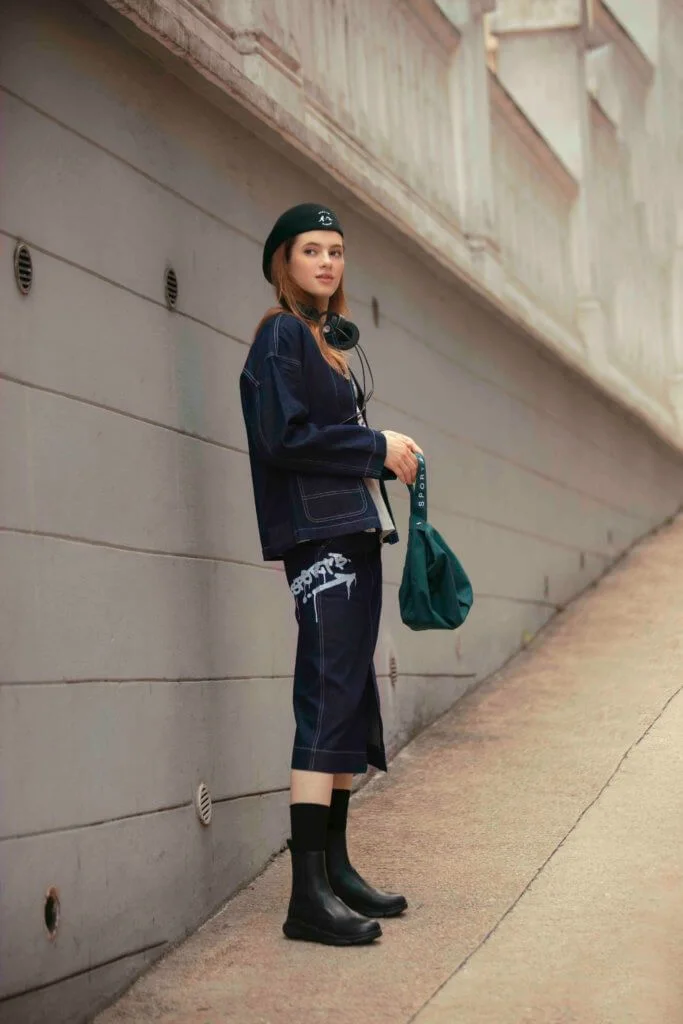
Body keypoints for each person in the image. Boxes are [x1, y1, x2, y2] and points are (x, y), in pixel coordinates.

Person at [239, 203, 422, 946]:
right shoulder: (280, 335)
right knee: (324, 696)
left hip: (350, 531)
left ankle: (336, 870)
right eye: (311, 250)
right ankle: (307, 897)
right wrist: (375, 445)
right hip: (319, 539)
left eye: (336, 251)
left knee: (347, 696)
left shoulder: (326, 341)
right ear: (283, 262)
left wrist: (379, 451)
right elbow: (282, 438)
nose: (326, 262)